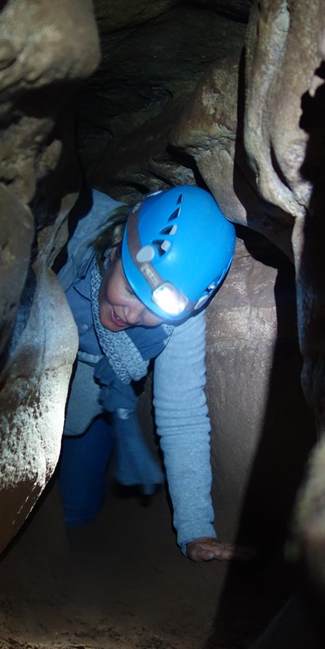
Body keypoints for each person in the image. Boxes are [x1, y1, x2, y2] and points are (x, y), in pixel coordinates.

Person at [55, 183, 243, 562]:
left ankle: (109, 420)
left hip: (95, 398)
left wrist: (196, 528)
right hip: (33, 376)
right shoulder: (70, 229)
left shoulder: (182, 315)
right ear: (116, 248)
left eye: (150, 308)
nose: (132, 315)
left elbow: (183, 413)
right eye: (130, 288)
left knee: (74, 513)